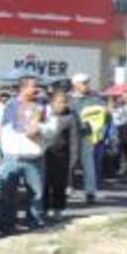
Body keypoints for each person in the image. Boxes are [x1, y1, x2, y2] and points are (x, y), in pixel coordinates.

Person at [0, 76, 54, 233]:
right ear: (22, 88)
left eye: (37, 86)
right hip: (10, 158)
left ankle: (35, 225)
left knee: (36, 196)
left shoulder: (44, 108)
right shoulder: (5, 107)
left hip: (34, 158)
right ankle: (6, 226)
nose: (37, 90)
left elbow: (52, 130)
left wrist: (41, 130)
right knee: (6, 195)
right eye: (33, 87)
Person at [70, 74, 106, 204]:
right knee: (70, 162)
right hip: (71, 136)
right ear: (76, 85)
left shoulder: (95, 99)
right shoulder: (68, 100)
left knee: (88, 163)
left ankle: (90, 192)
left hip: (88, 135)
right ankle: (68, 187)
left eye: (87, 83)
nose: (86, 85)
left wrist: (99, 132)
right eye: (83, 83)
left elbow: (104, 113)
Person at [44, 90, 80, 220]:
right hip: (44, 154)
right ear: (52, 103)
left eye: (65, 103)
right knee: (45, 184)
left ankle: (58, 209)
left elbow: (74, 140)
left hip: (62, 156)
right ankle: (45, 209)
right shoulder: (45, 114)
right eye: (59, 102)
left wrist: (74, 159)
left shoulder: (70, 117)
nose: (62, 105)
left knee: (59, 184)